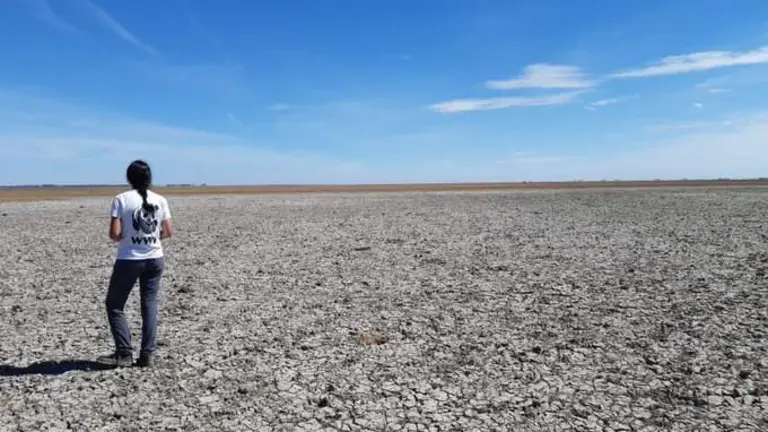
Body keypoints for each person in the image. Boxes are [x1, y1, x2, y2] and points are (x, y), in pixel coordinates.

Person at [96, 160, 173, 368]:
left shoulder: (121, 200)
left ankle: (124, 352)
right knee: (149, 305)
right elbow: (168, 231)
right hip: (155, 259)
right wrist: (149, 239)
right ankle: (147, 354)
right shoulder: (161, 200)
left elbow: (114, 234)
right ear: (149, 178)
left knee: (114, 304)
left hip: (129, 259)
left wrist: (131, 238)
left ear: (129, 178)